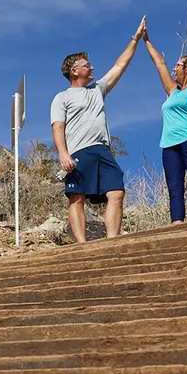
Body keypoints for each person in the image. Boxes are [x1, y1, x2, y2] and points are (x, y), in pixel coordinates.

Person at [51, 18, 145, 242]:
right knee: (76, 197)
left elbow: (120, 66)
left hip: (102, 150)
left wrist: (136, 38)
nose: (91, 67)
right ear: (75, 71)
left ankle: (112, 241)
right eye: (86, 65)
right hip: (78, 152)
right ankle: (82, 245)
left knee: (116, 192)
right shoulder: (61, 98)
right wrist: (63, 154)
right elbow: (58, 127)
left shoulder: (97, 90)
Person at [143, 36, 187, 222]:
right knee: (174, 188)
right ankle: (177, 225)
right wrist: (146, 40)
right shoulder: (173, 91)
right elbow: (160, 64)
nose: (174, 69)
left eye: (178, 65)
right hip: (169, 144)